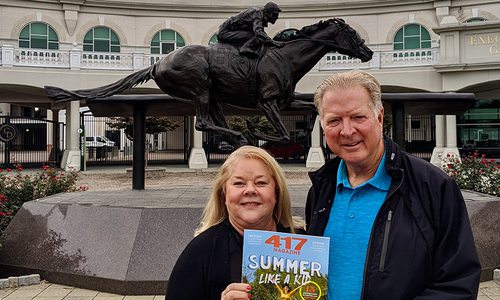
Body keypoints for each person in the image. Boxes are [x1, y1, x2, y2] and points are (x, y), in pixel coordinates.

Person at [305, 70, 481, 299]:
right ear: (323, 126)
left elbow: (458, 284)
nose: (347, 131)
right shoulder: (321, 188)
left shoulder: (433, 186)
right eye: (334, 120)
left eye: (358, 117)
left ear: (379, 117)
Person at [165, 146, 304, 300]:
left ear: (277, 193)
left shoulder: (305, 245)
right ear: (224, 194)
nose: (250, 190)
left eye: (261, 183)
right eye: (239, 183)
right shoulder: (200, 252)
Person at [217, 2, 284, 57]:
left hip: (230, 31)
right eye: (274, 14)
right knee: (257, 36)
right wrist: (274, 42)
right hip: (225, 32)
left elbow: (262, 33)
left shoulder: (259, 15)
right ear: (267, 13)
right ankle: (246, 48)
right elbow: (259, 33)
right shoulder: (257, 13)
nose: (277, 17)